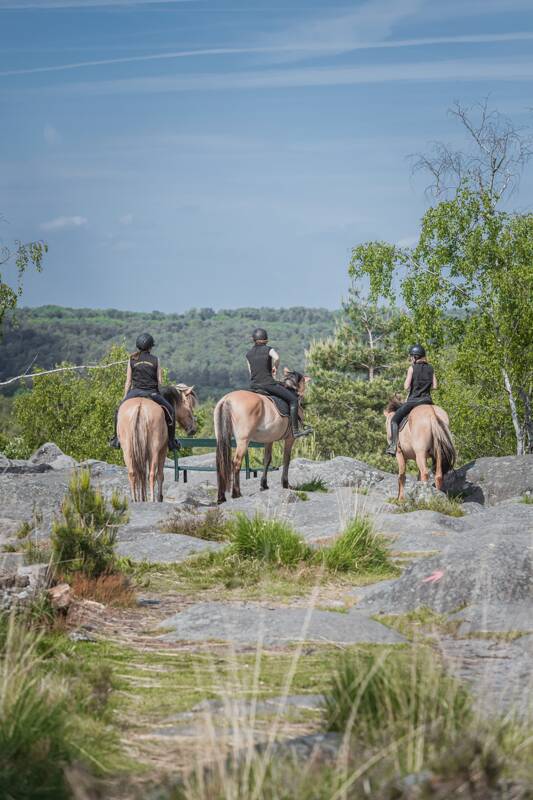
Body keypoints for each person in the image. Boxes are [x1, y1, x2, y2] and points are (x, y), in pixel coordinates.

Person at [109, 333, 181, 451]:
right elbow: (159, 381)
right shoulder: (155, 360)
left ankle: (116, 439)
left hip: (135, 392)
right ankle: (172, 442)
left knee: (118, 410)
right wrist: (158, 392)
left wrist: (125, 397)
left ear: (138, 346)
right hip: (152, 393)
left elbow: (128, 381)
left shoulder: (132, 359)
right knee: (171, 411)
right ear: (150, 347)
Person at [245, 327, 311, 438]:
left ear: (253, 340)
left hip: (253, 386)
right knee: (293, 400)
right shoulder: (268, 349)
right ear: (266, 340)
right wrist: (275, 367)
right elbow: (277, 357)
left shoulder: (248, 354)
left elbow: (250, 371)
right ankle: (295, 431)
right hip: (268, 385)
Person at [385, 343, 437, 456]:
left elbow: (406, 386)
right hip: (428, 401)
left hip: (413, 402)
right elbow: (435, 386)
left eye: (411, 357)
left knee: (394, 419)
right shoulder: (431, 368)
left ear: (415, 357)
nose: (411, 359)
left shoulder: (412, 368)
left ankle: (393, 445)